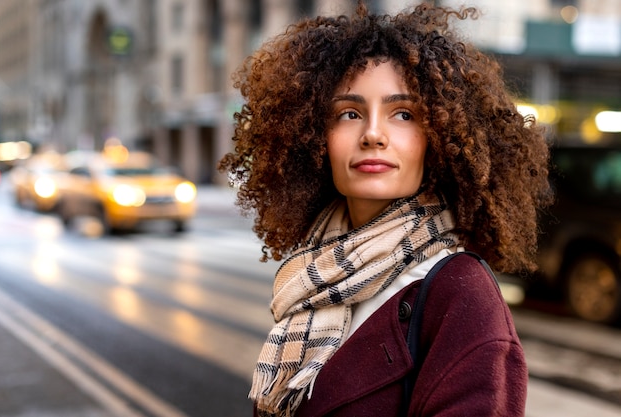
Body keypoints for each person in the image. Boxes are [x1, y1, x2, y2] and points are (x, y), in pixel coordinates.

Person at [218, 2, 552, 416]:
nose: (373, 134)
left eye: (404, 114)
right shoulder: (311, 277)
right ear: (315, 138)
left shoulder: (462, 297)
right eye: (349, 113)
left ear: (440, 137)